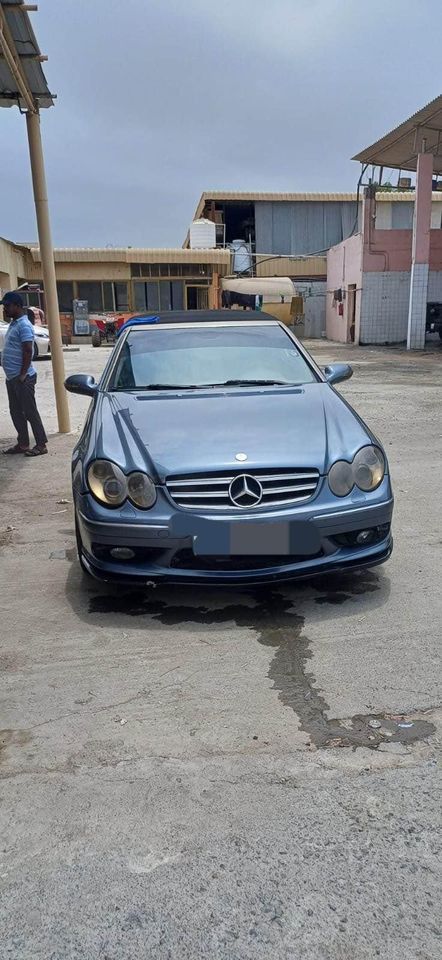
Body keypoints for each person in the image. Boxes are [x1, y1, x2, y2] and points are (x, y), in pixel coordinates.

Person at [0, 291, 48, 456]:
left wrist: (22, 374)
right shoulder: (14, 324)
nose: (4, 309)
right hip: (12, 378)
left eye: (7, 306)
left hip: (23, 378)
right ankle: (23, 444)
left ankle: (41, 445)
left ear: (17, 306)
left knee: (29, 412)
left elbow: (28, 350)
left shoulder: (24, 325)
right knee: (16, 412)